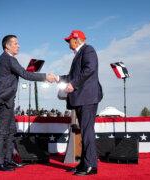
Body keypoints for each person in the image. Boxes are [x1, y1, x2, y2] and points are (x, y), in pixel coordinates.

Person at [0, 34, 56, 171]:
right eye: (15, 43)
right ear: (7, 46)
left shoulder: (0, 60)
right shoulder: (9, 59)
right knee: (2, 131)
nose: (18, 46)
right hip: (4, 100)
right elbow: (26, 74)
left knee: (11, 130)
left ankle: (8, 159)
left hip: (2, 100)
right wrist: (45, 77)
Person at [57, 30, 103, 176]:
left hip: (87, 97)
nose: (68, 43)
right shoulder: (78, 54)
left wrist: (73, 84)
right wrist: (57, 78)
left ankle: (91, 165)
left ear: (76, 39)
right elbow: (72, 76)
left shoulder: (88, 50)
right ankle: (84, 163)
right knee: (84, 131)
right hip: (82, 98)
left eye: (69, 40)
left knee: (87, 130)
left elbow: (89, 69)